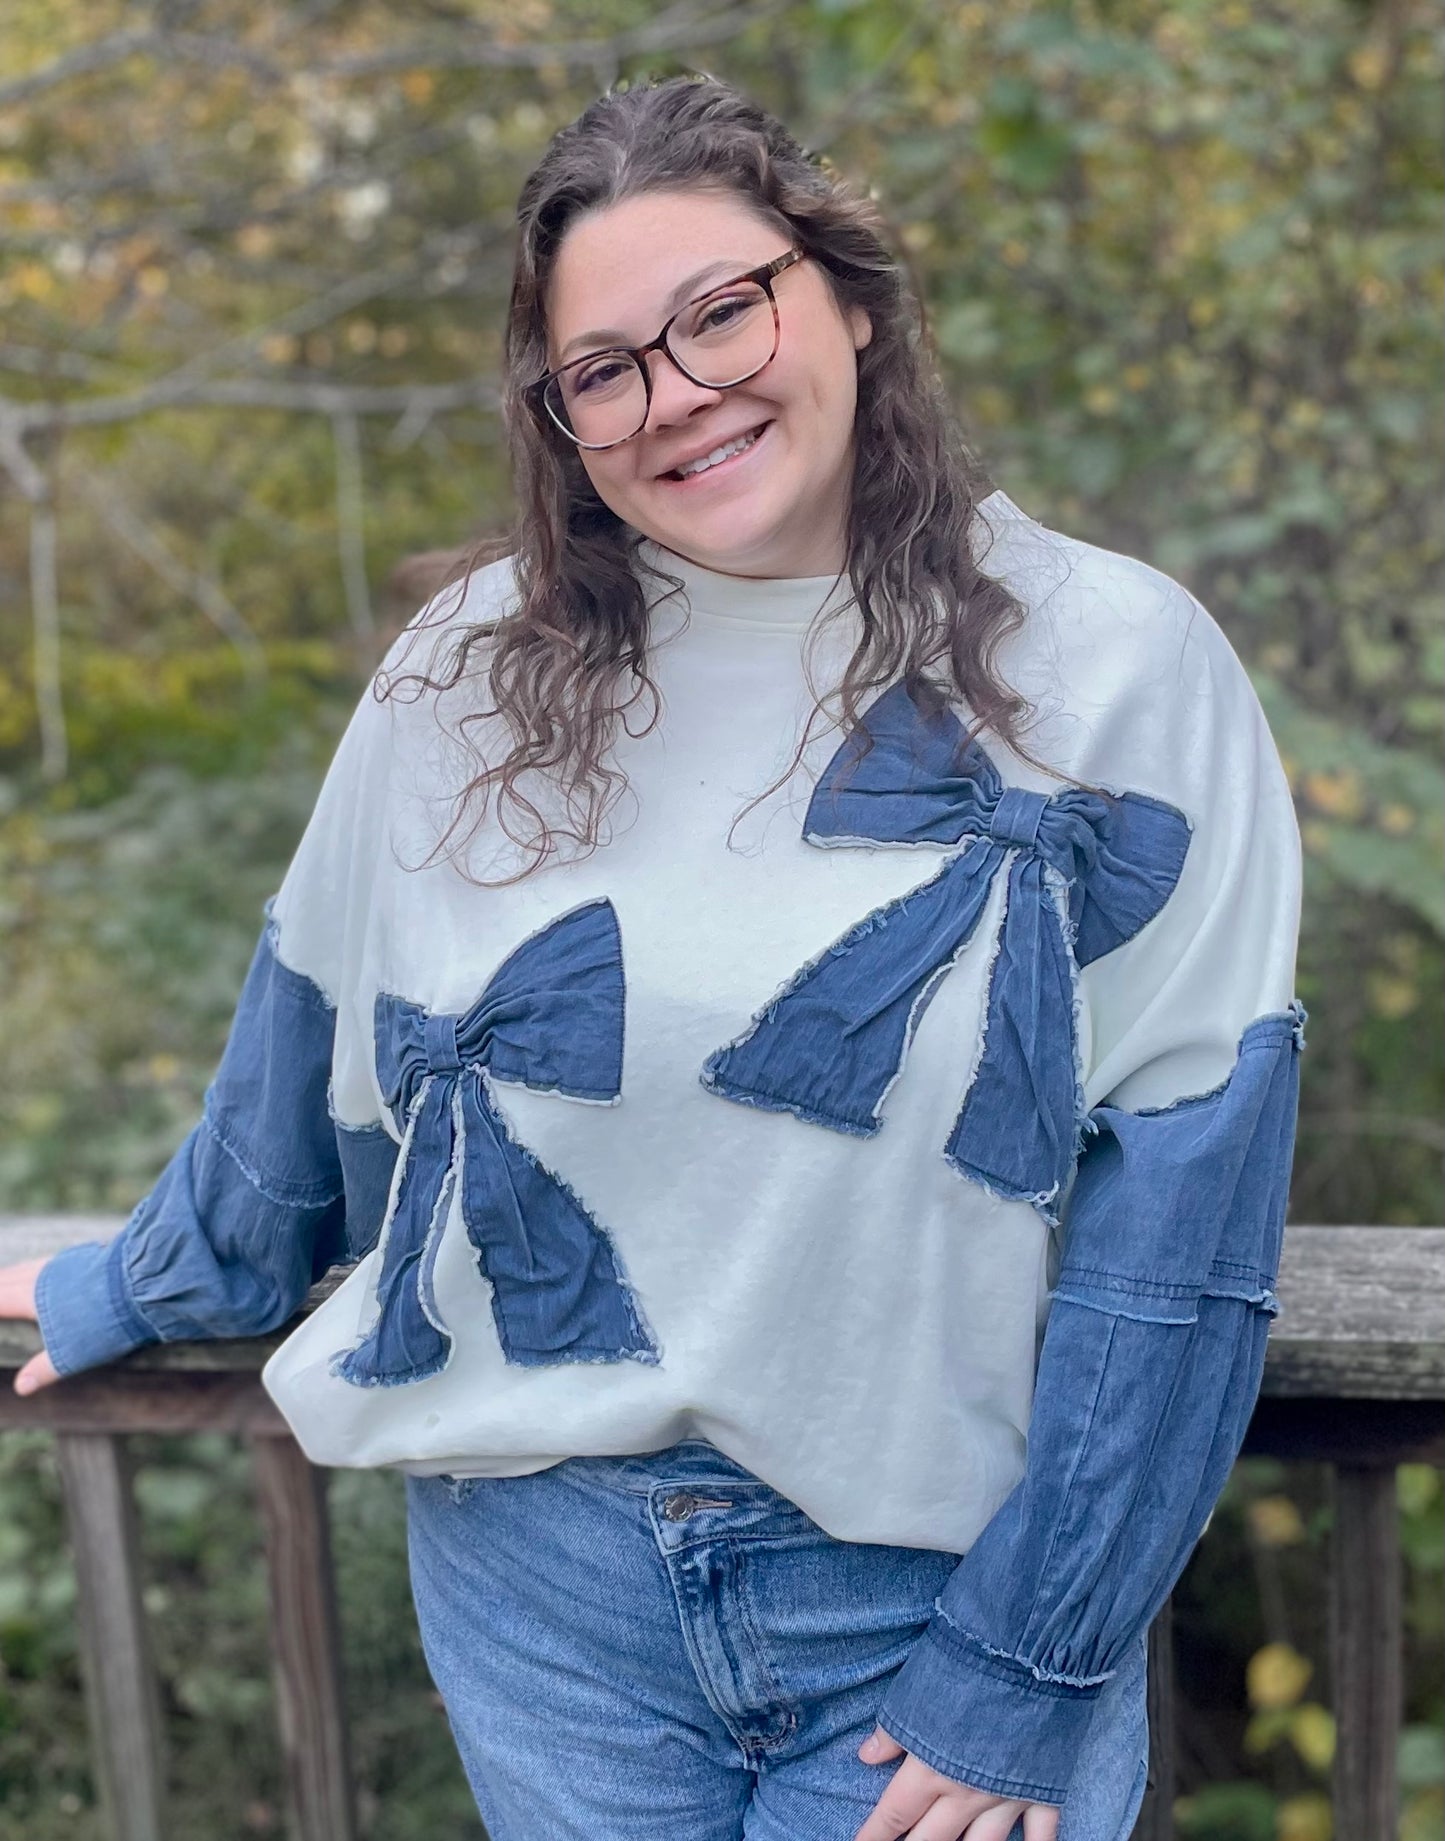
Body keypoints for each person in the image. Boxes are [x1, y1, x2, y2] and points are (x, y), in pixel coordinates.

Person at [1, 73, 1305, 1841]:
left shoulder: (1119, 664)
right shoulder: (463, 672)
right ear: (559, 417)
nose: (676, 393)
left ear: (846, 297)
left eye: (720, 312)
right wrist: (141, 1282)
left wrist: (1030, 1659)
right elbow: (313, 1046)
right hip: (541, 1599)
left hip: (932, 1604)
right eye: (602, 368)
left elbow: (1184, 1231)